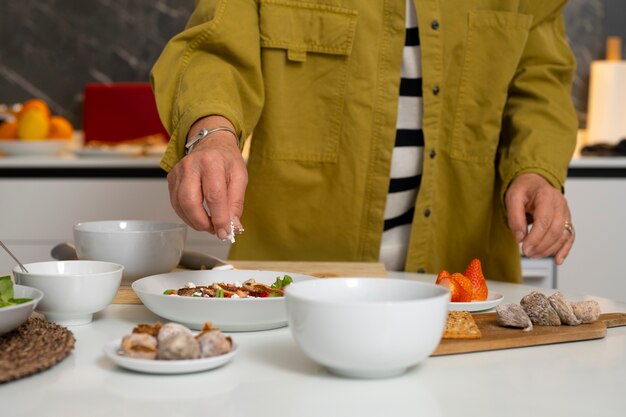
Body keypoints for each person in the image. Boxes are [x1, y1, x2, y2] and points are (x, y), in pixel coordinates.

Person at [151, 0, 578, 282]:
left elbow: (540, 81)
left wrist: (536, 169)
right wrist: (212, 134)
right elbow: (216, 49)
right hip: (292, 281)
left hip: (463, 282)